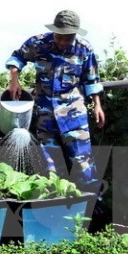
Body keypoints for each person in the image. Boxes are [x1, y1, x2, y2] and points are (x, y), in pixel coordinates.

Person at [6, 10, 105, 190]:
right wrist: (14, 80)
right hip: (46, 116)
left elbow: (92, 79)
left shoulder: (84, 49)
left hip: (74, 116)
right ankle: (54, 207)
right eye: (59, 37)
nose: (62, 42)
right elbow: (17, 57)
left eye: (67, 38)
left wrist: (97, 105)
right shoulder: (38, 43)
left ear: (75, 34)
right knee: (49, 165)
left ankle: (93, 206)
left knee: (83, 163)